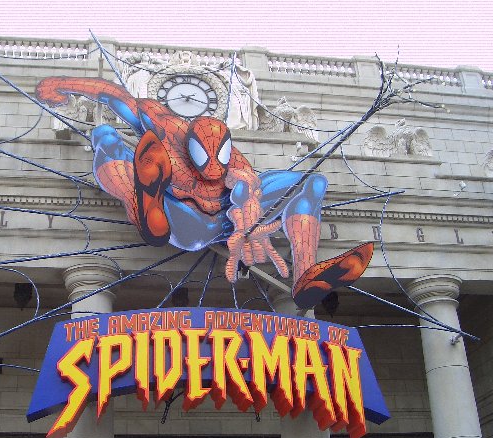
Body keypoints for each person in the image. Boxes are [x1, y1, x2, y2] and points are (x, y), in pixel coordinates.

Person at [35, 77, 372, 308]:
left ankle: (305, 273)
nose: (212, 167)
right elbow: (114, 95)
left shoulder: (238, 165)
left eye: (219, 159)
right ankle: (141, 200)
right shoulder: (164, 125)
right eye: (203, 157)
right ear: (188, 143)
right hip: (182, 218)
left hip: (215, 226)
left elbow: (247, 194)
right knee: (105, 135)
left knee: (312, 182)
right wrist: (62, 85)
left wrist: (247, 224)